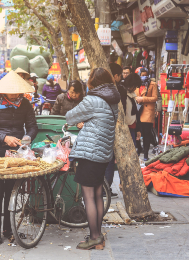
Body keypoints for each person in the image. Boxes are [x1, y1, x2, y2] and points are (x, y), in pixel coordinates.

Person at [66, 67, 120, 250]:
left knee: (88, 196)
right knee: (97, 194)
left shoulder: (91, 100)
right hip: (104, 153)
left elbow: (70, 117)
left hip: (90, 153)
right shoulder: (113, 101)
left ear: (92, 82)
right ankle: (98, 235)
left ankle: (95, 237)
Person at [0, 70, 38, 245]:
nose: (14, 94)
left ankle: (8, 229)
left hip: (15, 154)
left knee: (11, 192)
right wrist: (4, 138)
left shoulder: (26, 104)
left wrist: (28, 138)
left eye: (17, 91)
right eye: (10, 90)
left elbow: (32, 126)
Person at [104, 63, 127, 198]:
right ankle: (106, 189)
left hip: (102, 130)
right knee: (110, 161)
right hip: (114, 129)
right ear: (116, 76)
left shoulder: (98, 89)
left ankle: (103, 188)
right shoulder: (119, 90)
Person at [135, 67, 158, 161]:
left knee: (147, 134)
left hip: (148, 111)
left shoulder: (153, 84)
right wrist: (137, 99)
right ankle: (139, 148)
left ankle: (145, 154)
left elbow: (155, 98)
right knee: (137, 132)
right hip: (137, 111)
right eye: (142, 75)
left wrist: (143, 99)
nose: (144, 77)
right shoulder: (136, 84)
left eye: (145, 75)